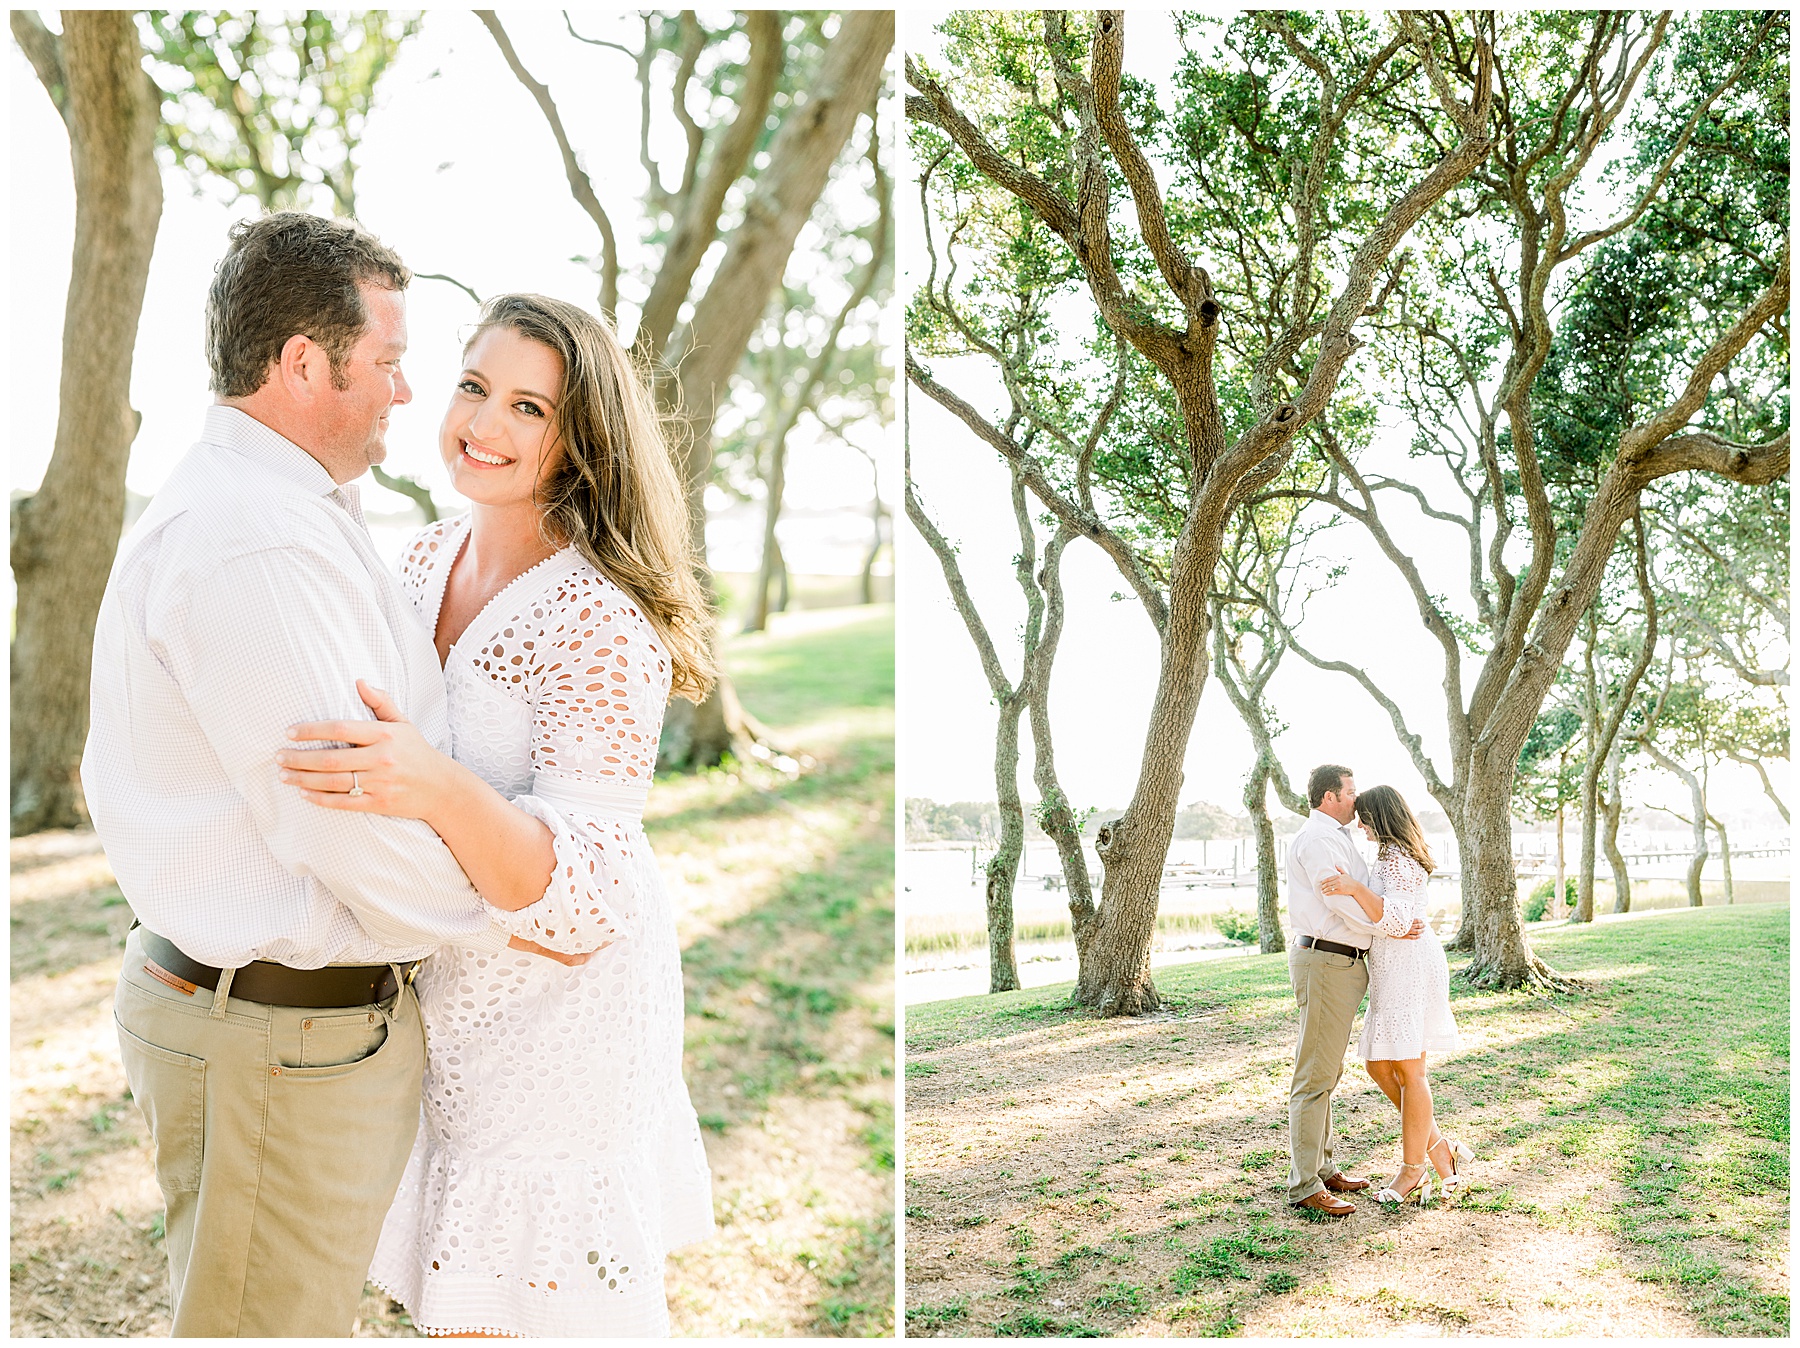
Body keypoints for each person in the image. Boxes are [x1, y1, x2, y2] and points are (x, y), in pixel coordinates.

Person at [83, 213, 591, 1337]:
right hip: (275, 1039)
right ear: (304, 364)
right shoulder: (254, 541)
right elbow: (343, 823)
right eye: (393, 363)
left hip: (281, 1030)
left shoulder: (297, 511)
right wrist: (513, 912)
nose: (409, 396)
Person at [274, 293, 717, 1337]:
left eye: (531, 407)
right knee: (459, 1312)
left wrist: (430, 783)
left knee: (546, 1315)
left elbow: (580, 912)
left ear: (582, 438)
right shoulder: (424, 559)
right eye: (476, 387)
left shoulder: (601, 619)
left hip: (566, 1020)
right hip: (451, 998)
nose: (486, 425)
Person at [1282, 764, 1424, 1216]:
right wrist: (1391, 927)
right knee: (1314, 1075)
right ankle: (1305, 1183)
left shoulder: (1337, 836)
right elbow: (1339, 900)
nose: (1355, 799)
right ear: (1329, 797)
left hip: (1339, 962)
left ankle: (1322, 1169)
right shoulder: (1320, 839)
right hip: (1326, 959)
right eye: (1349, 792)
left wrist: (1386, 925)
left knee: (1327, 1071)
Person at [1319, 785, 1472, 1204]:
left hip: (1410, 967)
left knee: (1410, 1070)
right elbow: (1395, 921)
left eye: (1365, 817)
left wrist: (1353, 888)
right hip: (1391, 967)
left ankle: (1412, 1170)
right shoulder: (1388, 855)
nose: (1360, 824)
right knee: (1378, 1066)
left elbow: (1399, 920)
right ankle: (1441, 1152)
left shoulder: (1400, 859)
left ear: (1380, 817)